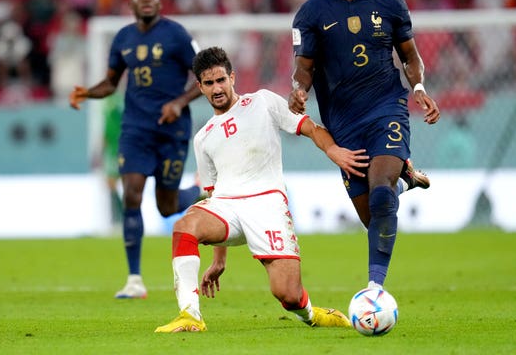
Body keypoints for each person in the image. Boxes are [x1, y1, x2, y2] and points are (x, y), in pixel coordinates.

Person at [155, 47, 369, 333]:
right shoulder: (203, 137)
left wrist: (334, 151)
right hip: (226, 207)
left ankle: (311, 314)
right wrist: (219, 261)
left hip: (267, 204)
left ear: (232, 77)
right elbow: (212, 193)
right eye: (209, 83)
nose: (216, 88)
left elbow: (310, 128)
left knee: (288, 294)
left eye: (221, 80)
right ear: (200, 87)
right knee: (184, 226)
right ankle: (190, 315)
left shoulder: (263, 102)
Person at [288, 0, 441, 291]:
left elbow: (409, 56)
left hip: (387, 108)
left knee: (382, 194)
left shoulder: (390, 3)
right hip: (343, 124)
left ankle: (375, 289)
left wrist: (418, 87)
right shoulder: (310, 13)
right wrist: (298, 90)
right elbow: (304, 66)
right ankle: (402, 177)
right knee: (373, 216)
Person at [69, 0, 202, 299]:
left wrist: (179, 103)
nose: (146, 2)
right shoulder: (123, 38)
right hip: (136, 129)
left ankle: (200, 192)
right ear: (131, 4)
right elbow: (111, 84)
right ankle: (134, 280)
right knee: (131, 194)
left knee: (166, 207)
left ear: (159, 2)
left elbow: (204, 77)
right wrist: (87, 92)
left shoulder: (178, 35)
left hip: (172, 130)